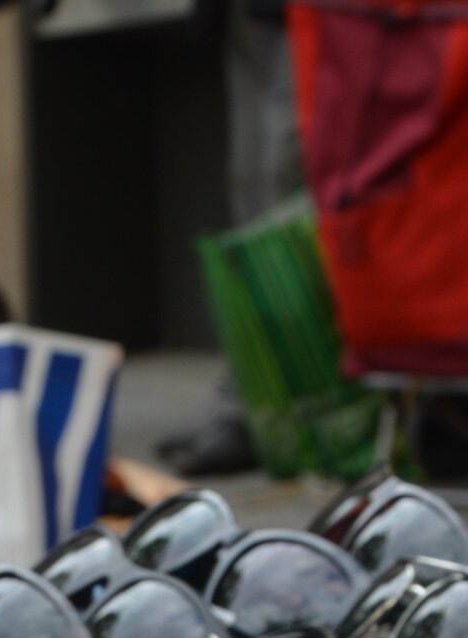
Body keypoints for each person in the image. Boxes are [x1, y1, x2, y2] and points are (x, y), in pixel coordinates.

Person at [159, 0, 303, 477]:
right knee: (250, 194)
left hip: (324, 18)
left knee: (284, 187)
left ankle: (292, 406)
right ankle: (253, 401)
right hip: (245, 15)